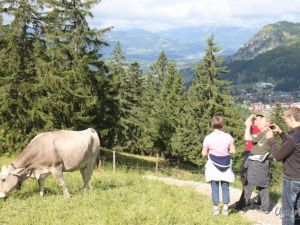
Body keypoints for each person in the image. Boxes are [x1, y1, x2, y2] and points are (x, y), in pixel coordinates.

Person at [266, 107, 300, 225]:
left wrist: (271, 139)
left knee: (288, 213)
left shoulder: (292, 138)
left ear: (291, 118)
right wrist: (281, 133)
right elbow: (293, 146)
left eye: (286, 119)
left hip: (291, 180)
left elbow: (278, 156)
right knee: (298, 212)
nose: (285, 122)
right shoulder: (295, 136)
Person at [202, 116, 236, 216]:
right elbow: (233, 151)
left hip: (213, 165)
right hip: (226, 164)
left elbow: (204, 153)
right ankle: (225, 209)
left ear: (212, 124)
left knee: (215, 187)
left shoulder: (208, 138)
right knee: (225, 187)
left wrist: (210, 150)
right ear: (222, 124)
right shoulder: (228, 137)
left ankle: (216, 209)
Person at [242, 114, 272, 214]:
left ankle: (242, 205)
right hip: (263, 162)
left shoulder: (263, 133)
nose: (257, 123)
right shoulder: (268, 132)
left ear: (266, 124)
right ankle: (264, 207)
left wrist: (247, 126)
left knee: (249, 183)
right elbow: (259, 144)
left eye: (260, 122)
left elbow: (247, 137)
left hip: (257, 162)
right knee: (263, 184)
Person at [234, 114, 262, 210]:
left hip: (252, 154)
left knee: (247, 178)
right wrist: (251, 117)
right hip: (248, 153)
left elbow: (247, 134)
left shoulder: (261, 130)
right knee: (244, 177)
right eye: (255, 120)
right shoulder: (253, 127)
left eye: (257, 120)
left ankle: (244, 202)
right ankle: (249, 199)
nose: (255, 121)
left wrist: (251, 118)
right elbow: (247, 123)